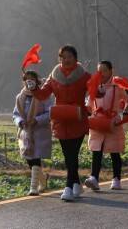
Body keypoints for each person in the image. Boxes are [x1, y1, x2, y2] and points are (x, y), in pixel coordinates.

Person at [32, 45, 91, 201]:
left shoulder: (84, 76)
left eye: (69, 56)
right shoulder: (54, 76)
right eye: (63, 57)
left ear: (75, 58)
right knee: (68, 155)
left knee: (73, 153)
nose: (66, 60)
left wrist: (99, 90)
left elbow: (94, 91)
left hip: (77, 118)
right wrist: (33, 88)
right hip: (61, 120)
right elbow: (44, 94)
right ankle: (76, 183)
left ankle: (68, 187)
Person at [84, 61, 128, 191]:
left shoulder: (118, 85)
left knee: (114, 151)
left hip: (113, 122)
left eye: (104, 70)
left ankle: (116, 178)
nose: (102, 74)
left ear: (111, 70)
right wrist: (88, 114)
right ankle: (94, 177)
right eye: (99, 71)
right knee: (96, 150)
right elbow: (89, 104)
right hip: (97, 123)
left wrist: (122, 116)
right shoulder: (94, 85)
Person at [12, 70, 53, 196]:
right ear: (24, 81)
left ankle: (33, 187)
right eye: (27, 79)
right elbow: (15, 114)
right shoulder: (20, 97)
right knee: (29, 159)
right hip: (26, 133)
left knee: (36, 158)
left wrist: (37, 120)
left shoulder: (44, 96)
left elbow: (50, 112)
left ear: (37, 80)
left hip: (40, 132)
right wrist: (20, 122)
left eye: (32, 79)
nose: (29, 81)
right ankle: (43, 179)